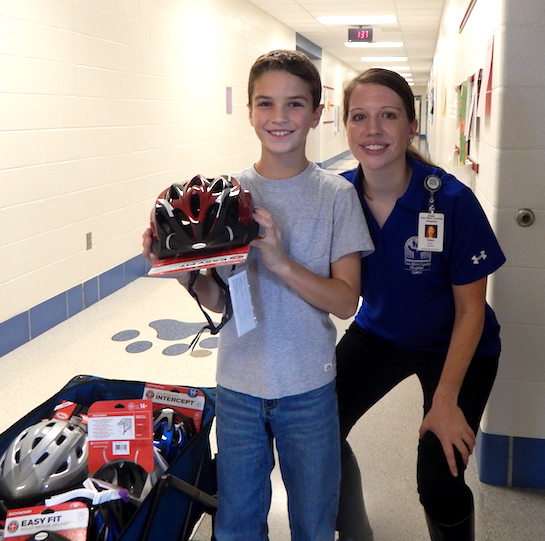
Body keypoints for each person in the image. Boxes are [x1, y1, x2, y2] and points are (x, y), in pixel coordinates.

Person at [143, 50, 373, 541]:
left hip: (308, 387)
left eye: (294, 105)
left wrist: (280, 261)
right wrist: (185, 273)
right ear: (249, 111)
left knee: (313, 523)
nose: (278, 118)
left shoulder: (336, 196)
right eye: (265, 103)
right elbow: (225, 303)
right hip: (238, 387)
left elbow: (346, 301)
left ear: (316, 113)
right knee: (237, 525)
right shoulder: (228, 194)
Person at [335, 68, 506, 541]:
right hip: (380, 333)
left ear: (412, 126)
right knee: (313, 433)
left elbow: (471, 311)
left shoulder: (451, 201)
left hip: (459, 344)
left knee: (440, 478)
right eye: (360, 116)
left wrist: (446, 400)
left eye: (388, 116)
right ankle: (354, 530)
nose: (373, 130)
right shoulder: (339, 197)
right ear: (345, 126)